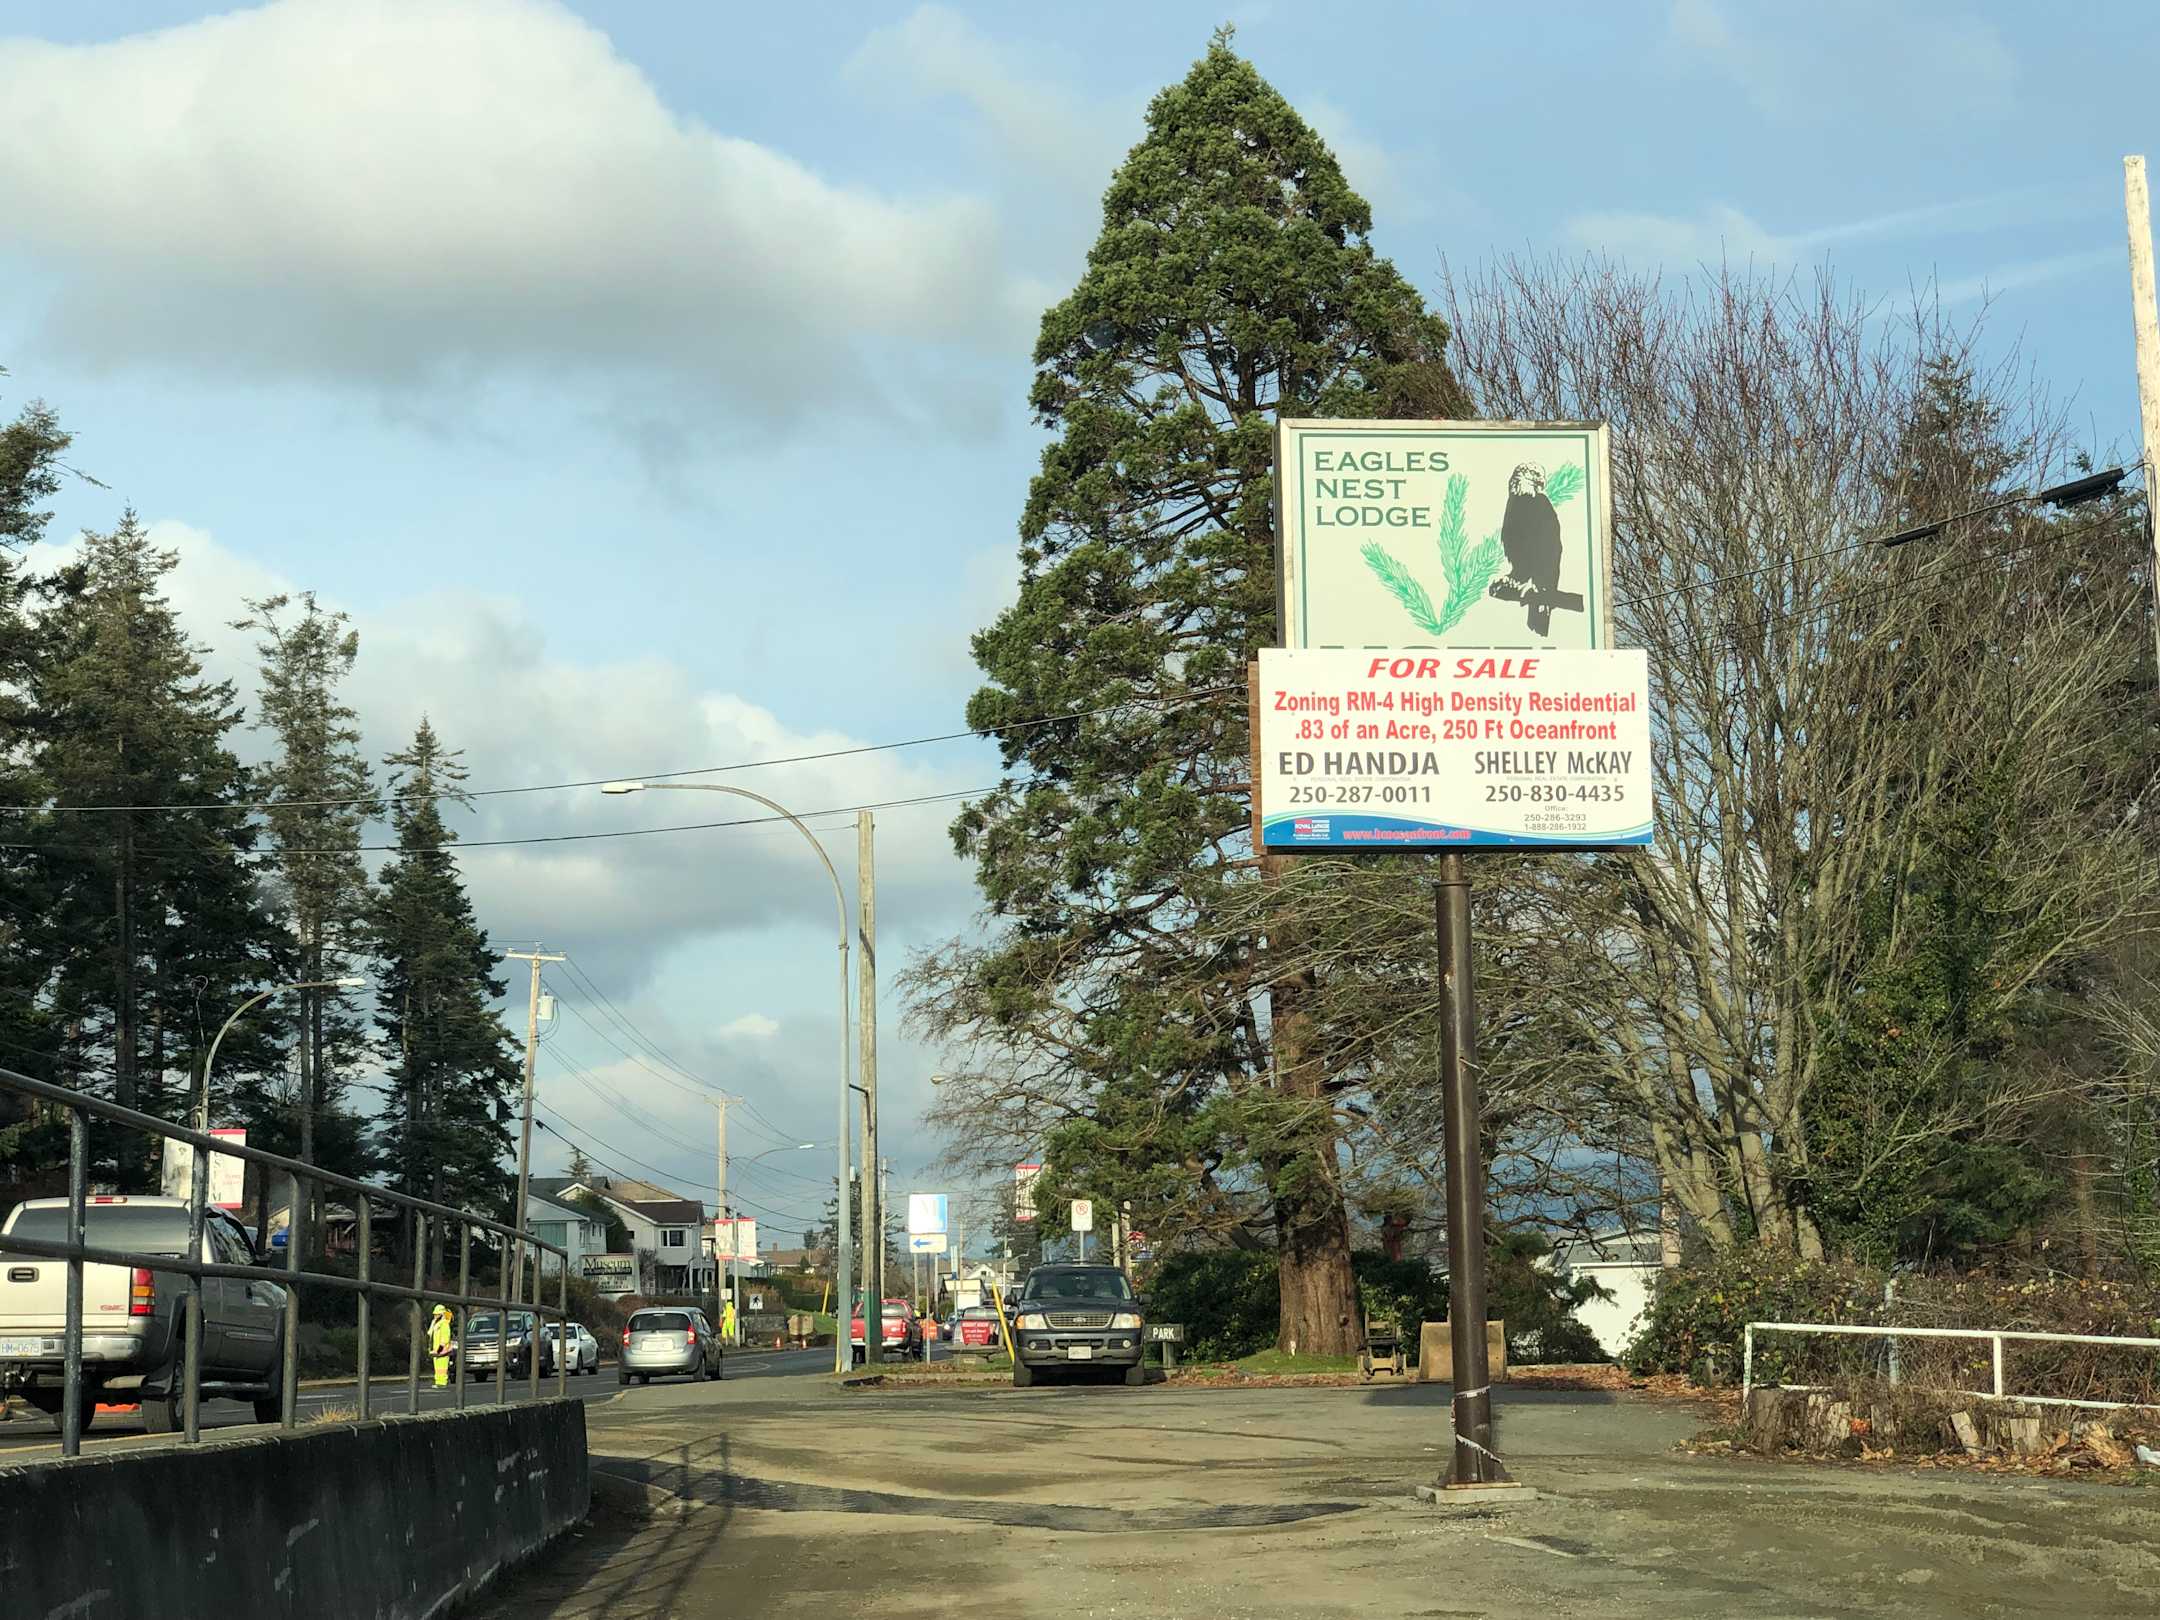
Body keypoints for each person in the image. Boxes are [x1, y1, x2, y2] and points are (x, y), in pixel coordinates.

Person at [428, 1303, 453, 1388]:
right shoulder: (437, 1323)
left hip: (442, 1350)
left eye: (437, 1314)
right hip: (436, 1350)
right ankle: (438, 1382)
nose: (435, 1316)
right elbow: (430, 1333)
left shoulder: (444, 1323)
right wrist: (433, 1322)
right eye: (435, 1314)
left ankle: (442, 1382)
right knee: (437, 1368)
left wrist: (440, 1348)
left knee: (442, 1367)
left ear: (441, 1314)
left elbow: (446, 1337)